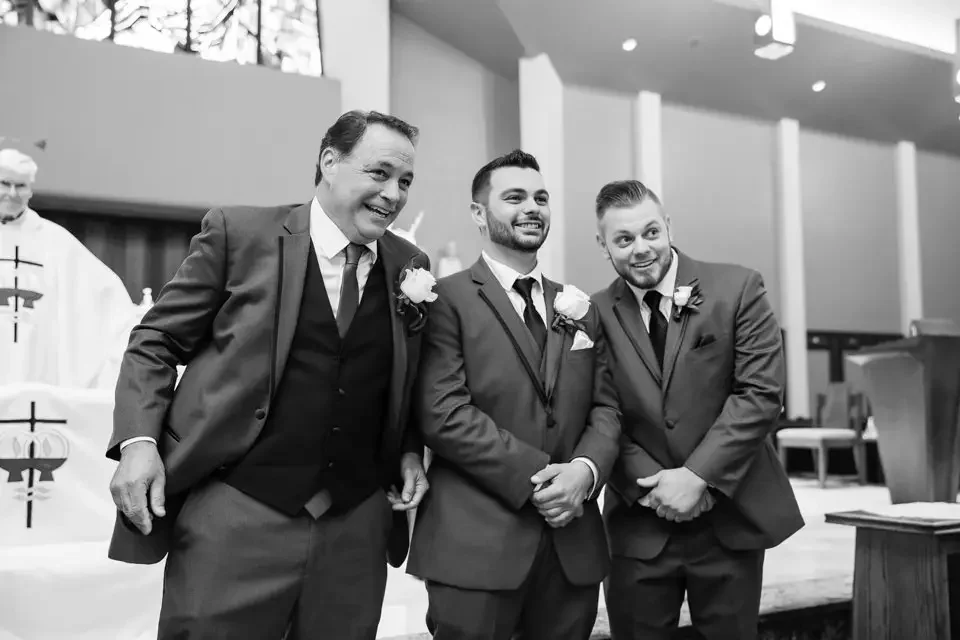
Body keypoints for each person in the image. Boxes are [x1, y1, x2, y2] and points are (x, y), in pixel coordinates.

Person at [105, 110, 433, 639]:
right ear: (330, 161)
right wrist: (137, 442)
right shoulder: (241, 233)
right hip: (237, 510)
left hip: (354, 523)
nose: (394, 194)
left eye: (406, 182)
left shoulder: (409, 264)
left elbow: (405, 376)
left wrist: (410, 448)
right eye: (380, 173)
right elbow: (156, 341)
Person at [407, 149, 621, 639]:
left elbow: (606, 407)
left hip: (572, 543)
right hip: (475, 547)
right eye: (515, 197)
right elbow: (444, 414)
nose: (533, 208)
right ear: (479, 213)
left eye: (541, 198)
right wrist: (542, 481)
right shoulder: (446, 300)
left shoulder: (580, 307)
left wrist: (584, 474)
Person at [591, 180, 804, 639]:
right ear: (603, 245)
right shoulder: (593, 313)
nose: (641, 249)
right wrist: (656, 488)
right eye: (623, 240)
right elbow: (599, 411)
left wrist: (697, 477)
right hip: (638, 523)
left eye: (651, 232)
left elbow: (761, 394)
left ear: (668, 225)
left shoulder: (737, 287)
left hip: (729, 513)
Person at [0, 146, 138, 389]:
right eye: (4, 183)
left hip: (38, 369)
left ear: (30, 190)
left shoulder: (55, 241)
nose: (12, 193)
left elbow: (105, 295)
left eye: (21, 185)